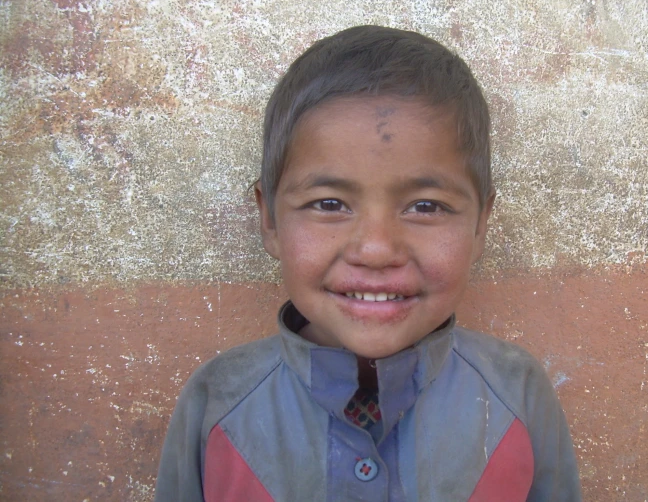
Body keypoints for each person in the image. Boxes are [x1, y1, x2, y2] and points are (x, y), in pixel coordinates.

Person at [155, 25, 581, 502]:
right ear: (270, 219)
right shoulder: (218, 401)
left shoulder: (517, 392)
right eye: (330, 204)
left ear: (481, 223)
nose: (376, 250)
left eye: (425, 206)